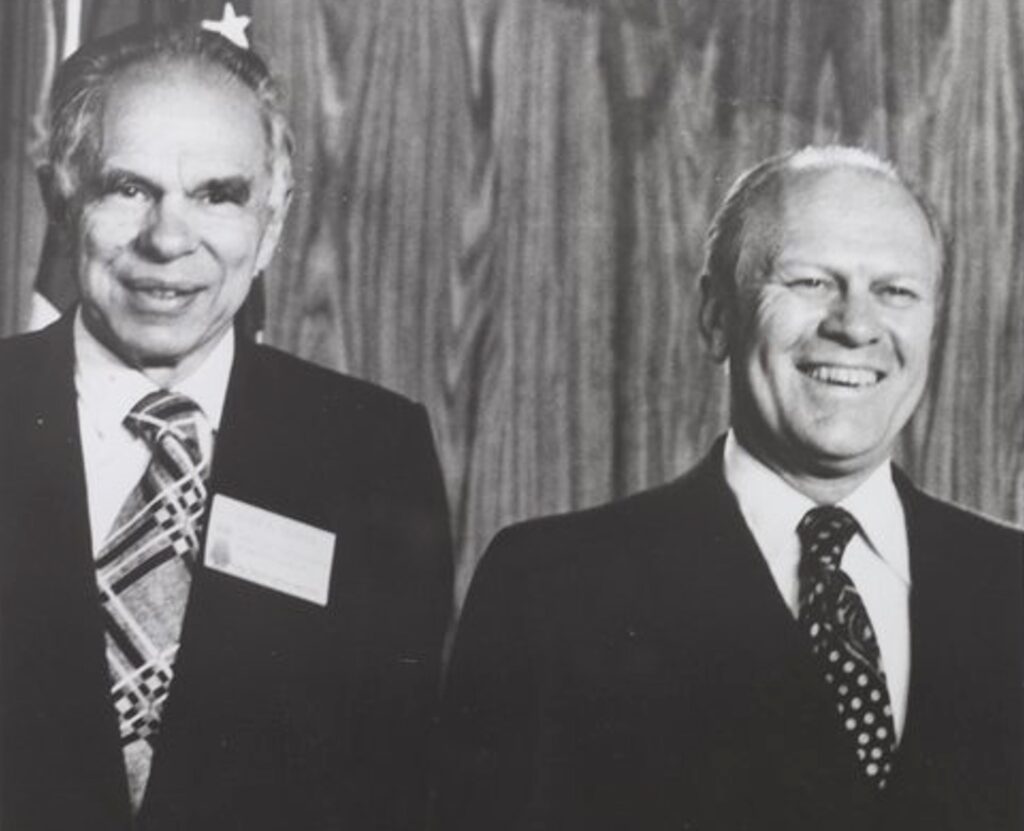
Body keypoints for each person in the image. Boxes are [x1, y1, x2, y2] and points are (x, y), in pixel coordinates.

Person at [436, 146, 1023, 831]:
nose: (856, 325)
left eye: (895, 291)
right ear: (717, 316)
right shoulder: (553, 590)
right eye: (809, 281)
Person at [0, 26, 451, 831]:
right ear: (60, 201)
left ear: (272, 224)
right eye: (128, 187)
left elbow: (392, 782)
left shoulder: (373, 454)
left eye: (218, 194)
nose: (169, 240)